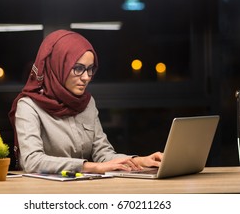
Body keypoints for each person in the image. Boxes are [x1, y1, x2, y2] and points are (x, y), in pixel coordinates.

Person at [9, 29, 163, 174]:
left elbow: (103, 154)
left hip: (83, 188)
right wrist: (89, 166)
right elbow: (32, 161)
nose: (86, 77)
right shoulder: (29, 106)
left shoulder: (87, 103)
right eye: (78, 68)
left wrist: (138, 161)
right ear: (58, 66)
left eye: (90, 69)